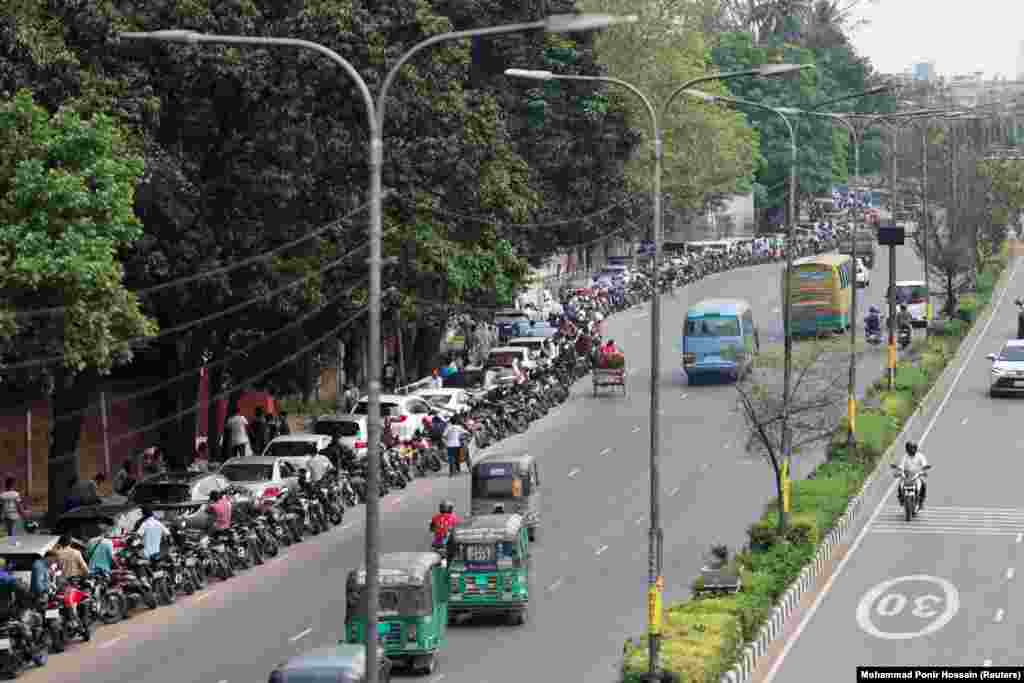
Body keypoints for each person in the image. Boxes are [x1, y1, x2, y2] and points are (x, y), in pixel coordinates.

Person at [898, 442, 929, 509]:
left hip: (917, 475)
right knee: (900, 484)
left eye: (913, 448)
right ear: (907, 449)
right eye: (910, 449)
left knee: (924, 483)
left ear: (916, 449)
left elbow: (924, 465)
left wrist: (924, 471)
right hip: (907, 475)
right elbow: (901, 466)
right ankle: (901, 498)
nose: (911, 450)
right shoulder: (905, 457)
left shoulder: (920, 456)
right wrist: (899, 472)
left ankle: (921, 501)